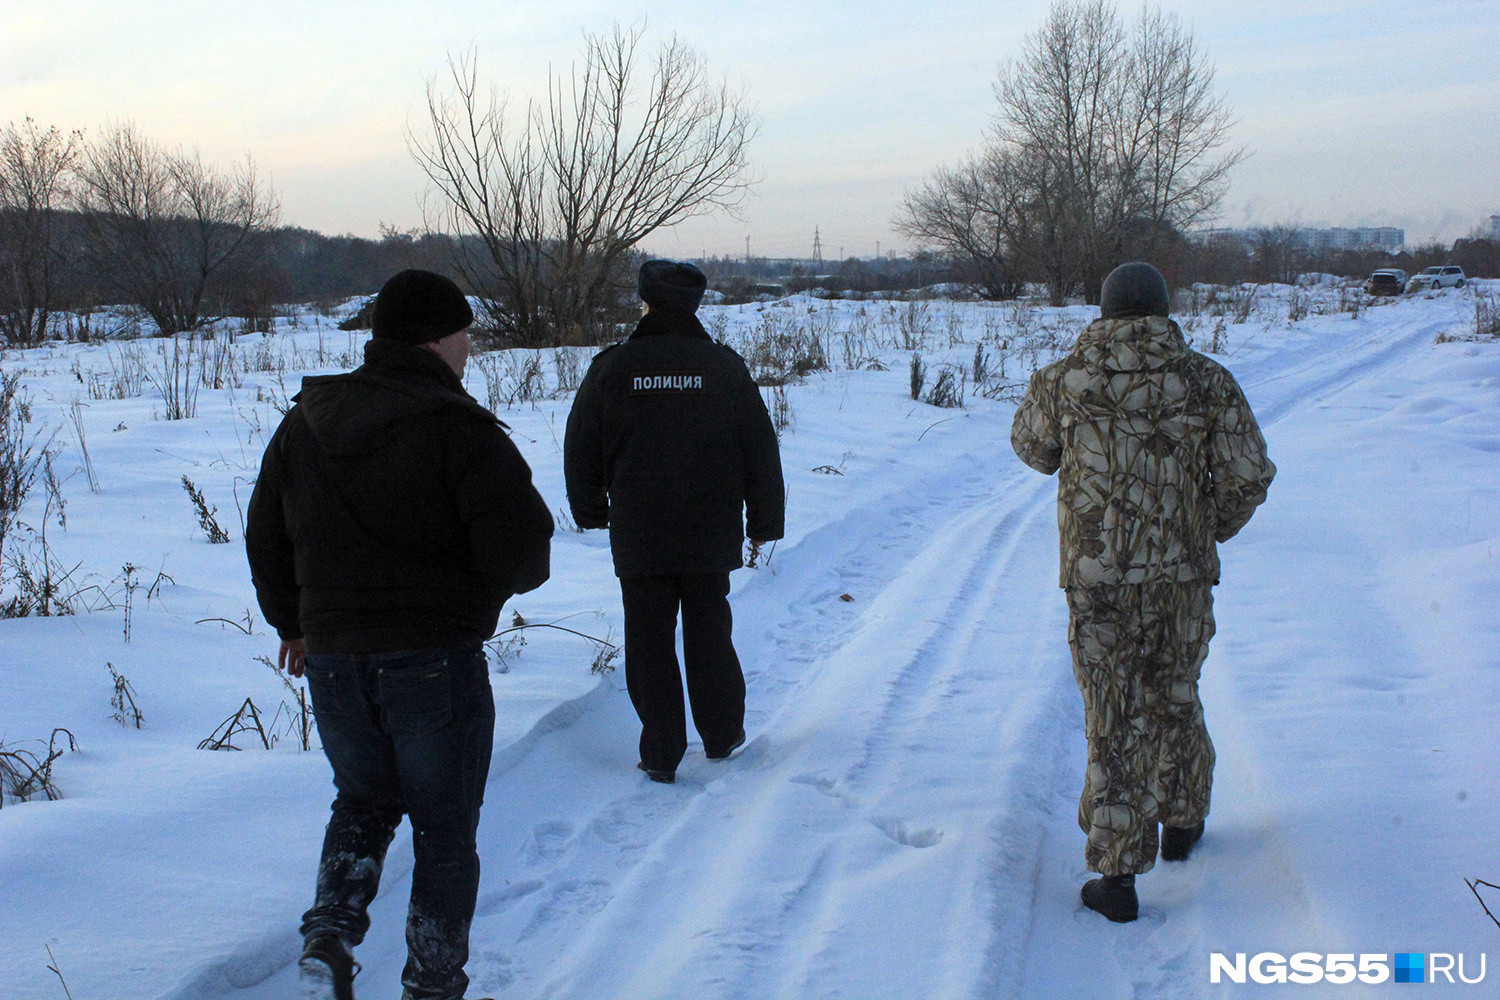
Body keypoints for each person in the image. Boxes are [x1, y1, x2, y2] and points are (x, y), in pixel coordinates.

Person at [246, 269, 553, 1000]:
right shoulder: (458, 429)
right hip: (432, 663)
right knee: (444, 835)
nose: (470, 349)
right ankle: (433, 984)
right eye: (466, 335)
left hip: (332, 659)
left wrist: (295, 620)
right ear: (440, 339)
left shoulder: (305, 422)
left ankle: (327, 942)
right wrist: (474, 599)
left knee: (363, 802)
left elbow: (265, 532)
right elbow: (523, 552)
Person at [1011, 261, 1275, 923]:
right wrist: (1204, 531)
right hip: (1182, 579)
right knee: (1175, 691)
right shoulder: (1205, 379)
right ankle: (1183, 819)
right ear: (1164, 309)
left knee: (1112, 714)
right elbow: (1248, 475)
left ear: (1103, 312)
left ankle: (1118, 874)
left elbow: (1031, 449)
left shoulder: (1064, 379)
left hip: (1097, 581)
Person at [563, 260, 784, 784]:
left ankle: (661, 752)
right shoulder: (723, 366)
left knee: (648, 638)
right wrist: (765, 520)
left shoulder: (612, 368)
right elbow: (760, 447)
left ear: (645, 303)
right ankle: (722, 734)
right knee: (709, 629)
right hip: (710, 528)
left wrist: (592, 509)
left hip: (640, 531)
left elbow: (580, 445)